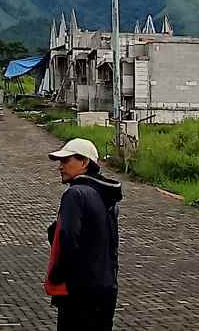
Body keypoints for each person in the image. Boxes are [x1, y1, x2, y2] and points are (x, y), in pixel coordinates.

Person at [44, 138, 122, 331]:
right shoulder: (107, 196)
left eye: (66, 161)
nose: (60, 167)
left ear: (85, 162)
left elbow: (68, 238)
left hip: (79, 291)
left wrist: (57, 274)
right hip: (105, 288)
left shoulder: (75, 194)